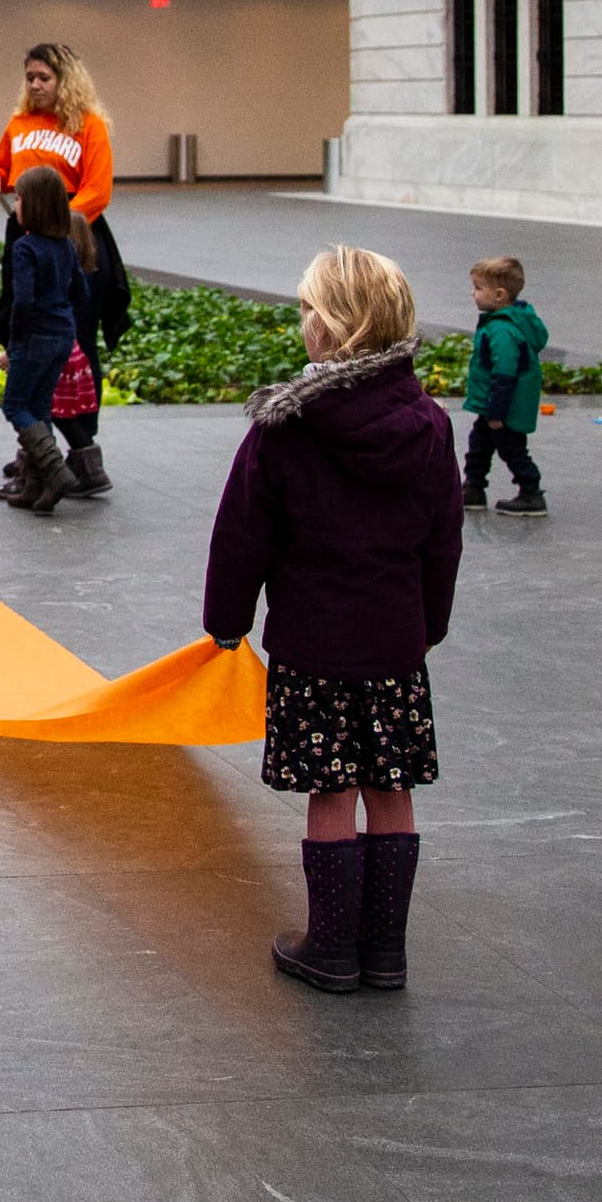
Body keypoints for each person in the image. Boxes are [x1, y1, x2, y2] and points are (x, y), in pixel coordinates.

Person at [204, 246, 462, 997]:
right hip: (394, 642)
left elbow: (241, 533)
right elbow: (442, 537)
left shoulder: (288, 426)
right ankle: (386, 951)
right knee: (391, 787)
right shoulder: (430, 425)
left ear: (326, 326)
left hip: (314, 646)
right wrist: (428, 624)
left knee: (330, 791)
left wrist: (226, 623)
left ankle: (330, 948)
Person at [0, 42, 125, 499]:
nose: (36, 85)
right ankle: (38, 455)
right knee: (32, 340)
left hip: (74, 240)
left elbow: (97, 192)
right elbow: (2, 168)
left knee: (73, 344)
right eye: (30, 78)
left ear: (66, 80)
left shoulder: (90, 126)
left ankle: (77, 450)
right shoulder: (20, 123)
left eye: (44, 77)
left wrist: (54, 231)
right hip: (28, 235)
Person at [0, 165, 88, 514]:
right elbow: (81, 289)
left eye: (19, 198)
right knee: (40, 407)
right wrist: (63, 317)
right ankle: (37, 487)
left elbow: (23, 301)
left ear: (33, 206)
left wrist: (15, 344)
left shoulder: (24, 247)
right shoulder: (64, 245)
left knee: (15, 405)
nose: (15, 204)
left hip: (33, 338)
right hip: (62, 335)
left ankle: (55, 470)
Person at [459, 255, 548, 515]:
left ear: (499, 295)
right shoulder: (500, 323)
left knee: (512, 450)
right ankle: (473, 488)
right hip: (494, 406)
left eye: (478, 288)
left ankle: (531, 493)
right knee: (479, 446)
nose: (472, 293)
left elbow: (505, 373)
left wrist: (497, 412)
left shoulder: (501, 330)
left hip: (502, 409)